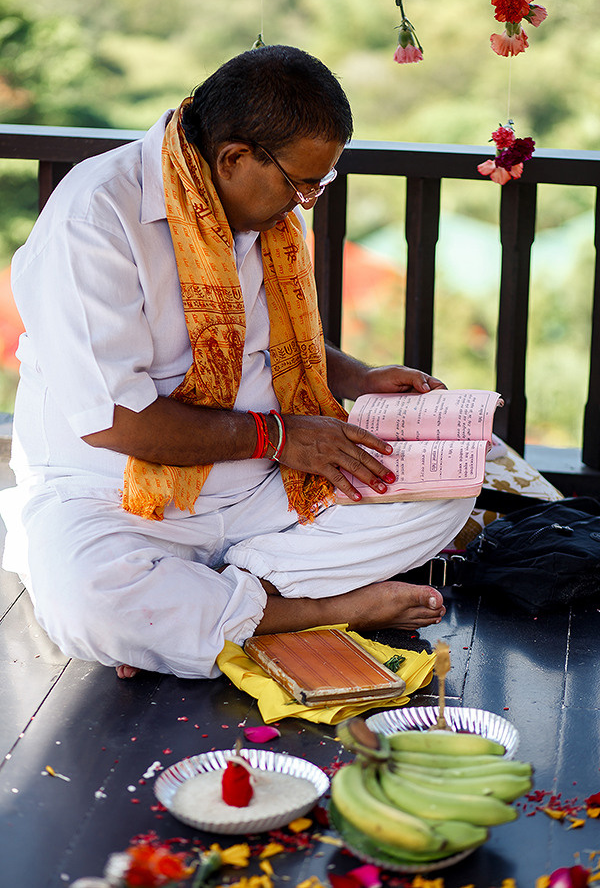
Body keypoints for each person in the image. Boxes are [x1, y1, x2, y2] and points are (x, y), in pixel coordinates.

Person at [0, 45, 473, 680]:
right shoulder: (96, 218)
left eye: (319, 183)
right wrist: (281, 438)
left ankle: (205, 607)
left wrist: (358, 378)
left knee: (449, 493)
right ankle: (316, 607)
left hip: (259, 486)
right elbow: (117, 421)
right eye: (302, 183)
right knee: (90, 601)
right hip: (119, 496)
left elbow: (271, 340)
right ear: (233, 158)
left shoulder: (251, 211)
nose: (307, 202)